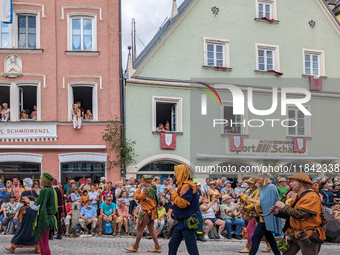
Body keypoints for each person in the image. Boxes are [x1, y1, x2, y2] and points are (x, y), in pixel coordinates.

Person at [272, 172, 326, 255]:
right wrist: (278, 212)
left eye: (293, 181)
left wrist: (283, 206)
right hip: (294, 233)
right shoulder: (297, 195)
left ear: (301, 183)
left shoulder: (312, 196)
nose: (290, 183)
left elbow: (300, 214)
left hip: (308, 234)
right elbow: (289, 212)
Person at [167, 165, 199, 255]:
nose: (175, 175)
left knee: (192, 249)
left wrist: (173, 192)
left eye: (176, 173)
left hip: (187, 222)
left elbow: (182, 204)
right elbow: (177, 200)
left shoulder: (188, 187)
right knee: (172, 245)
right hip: (180, 222)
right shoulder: (182, 186)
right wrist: (172, 193)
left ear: (181, 173)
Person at [125, 175, 161, 253]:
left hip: (147, 212)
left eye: (142, 181)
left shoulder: (147, 190)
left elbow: (137, 197)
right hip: (152, 212)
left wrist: (138, 188)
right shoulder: (153, 188)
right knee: (151, 230)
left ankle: (135, 247)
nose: (141, 182)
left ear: (144, 181)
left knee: (140, 228)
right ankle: (157, 247)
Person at [248, 171, 282, 255]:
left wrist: (252, 201)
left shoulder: (270, 187)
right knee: (269, 237)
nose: (258, 178)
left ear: (265, 178)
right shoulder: (261, 188)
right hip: (262, 216)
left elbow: (267, 203)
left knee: (256, 237)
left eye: (260, 176)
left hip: (266, 216)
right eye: (257, 176)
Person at [4, 178, 39, 253]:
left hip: (26, 213)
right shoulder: (33, 191)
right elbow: (37, 201)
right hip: (34, 213)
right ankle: (37, 247)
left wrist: (15, 210)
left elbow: (20, 204)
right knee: (32, 229)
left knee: (21, 229)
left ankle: (13, 247)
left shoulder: (25, 192)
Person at [239, 177, 270, 253]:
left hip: (256, 213)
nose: (248, 185)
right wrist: (242, 198)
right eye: (248, 183)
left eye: (250, 183)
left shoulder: (257, 191)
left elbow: (255, 204)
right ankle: (270, 244)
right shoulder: (252, 192)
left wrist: (244, 198)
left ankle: (249, 246)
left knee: (249, 229)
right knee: (261, 232)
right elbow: (247, 201)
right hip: (252, 213)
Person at [32, 173, 58, 255]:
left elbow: (38, 206)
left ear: (44, 181)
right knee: (41, 242)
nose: (39, 180)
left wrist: (29, 202)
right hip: (49, 218)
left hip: (45, 219)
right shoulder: (52, 190)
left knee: (44, 243)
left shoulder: (45, 190)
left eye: (40, 179)